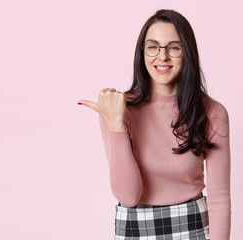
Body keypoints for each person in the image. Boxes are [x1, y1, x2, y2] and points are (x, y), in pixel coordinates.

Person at [77, 9, 231, 240]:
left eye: (174, 47)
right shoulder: (118, 108)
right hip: (136, 229)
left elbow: (219, 197)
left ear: (187, 53)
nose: (162, 57)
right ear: (142, 52)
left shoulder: (212, 112)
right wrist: (116, 123)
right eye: (153, 46)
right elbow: (128, 197)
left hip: (194, 229)